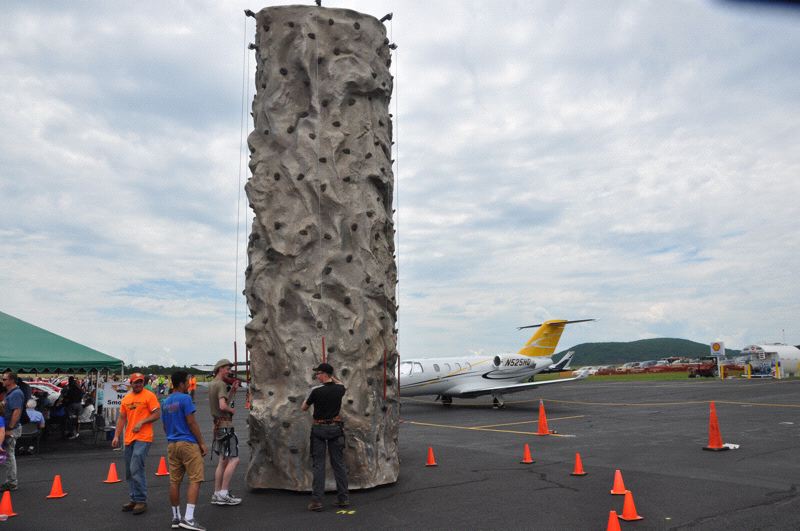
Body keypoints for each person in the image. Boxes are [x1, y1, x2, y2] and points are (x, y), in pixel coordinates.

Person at [161, 371, 208, 531]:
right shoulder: (186, 398)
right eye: (187, 381)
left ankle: (176, 517)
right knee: (195, 478)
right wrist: (201, 442)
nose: (189, 384)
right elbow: (192, 422)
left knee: (174, 481)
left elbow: (165, 426)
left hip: (172, 443)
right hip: (187, 443)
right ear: (181, 383)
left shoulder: (165, 401)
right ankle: (188, 518)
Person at [301, 362, 349, 511]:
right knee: (338, 464)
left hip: (319, 429)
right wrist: (332, 378)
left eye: (319, 373)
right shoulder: (340, 389)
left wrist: (309, 396)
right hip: (335, 428)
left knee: (319, 465)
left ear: (324, 374)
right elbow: (340, 383)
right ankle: (343, 498)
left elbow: (304, 408)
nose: (317, 376)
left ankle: (317, 501)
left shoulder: (315, 390)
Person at [112, 373, 161, 515]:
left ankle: (141, 500)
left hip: (144, 437)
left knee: (136, 467)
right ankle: (133, 498)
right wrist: (116, 436)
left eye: (141, 382)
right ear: (131, 384)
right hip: (129, 438)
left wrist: (142, 422)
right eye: (136, 382)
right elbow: (121, 419)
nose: (138, 384)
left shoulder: (149, 396)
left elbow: (157, 414)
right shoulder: (126, 399)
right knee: (129, 471)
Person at [208, 359, 242, 506]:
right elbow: (223, 406)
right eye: (227, 368)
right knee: (234, 459)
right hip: (225, 426)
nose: (229, 371)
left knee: (222, 460)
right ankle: (224, 493)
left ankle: (217, 493)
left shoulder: (213, 384)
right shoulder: (221, 384)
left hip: (217, 426)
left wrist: (233, 391)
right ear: (220, 368)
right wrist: (231, 410)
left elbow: (222, 402)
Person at [1, 370, 25, 491]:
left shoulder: (16, 394)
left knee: (9, 455)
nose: (2, 381)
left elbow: (17, 411)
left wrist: (10, 428)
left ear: (11, 380)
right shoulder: (11, 393)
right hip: (8, 428)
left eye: (4, 379)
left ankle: (11, 482)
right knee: (7, 455)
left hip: (11, 429)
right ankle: (10, 481)